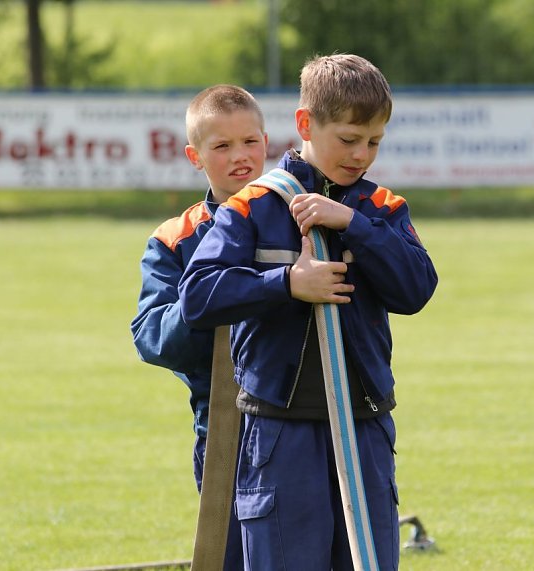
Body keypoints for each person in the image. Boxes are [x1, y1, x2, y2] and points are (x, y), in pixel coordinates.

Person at [178, 53, 438, 570]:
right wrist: (288, 284)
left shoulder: (382, 208)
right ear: (305, 125)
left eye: (374, 142)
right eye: (348, 139)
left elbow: (416, 290)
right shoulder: (253, 206)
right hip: (279, 431)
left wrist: (354, 226)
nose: (361, 155)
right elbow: (197, 296)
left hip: (364, 424)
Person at [130, 84, 268, 569]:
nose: (240, 157)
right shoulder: (175, 238)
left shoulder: (298, 215)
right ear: (195, 156)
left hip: (303, 424)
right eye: (222, 146)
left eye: (250, 142)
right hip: (223, 428)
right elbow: (151, 337)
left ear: (267, 142)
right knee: (226, 556)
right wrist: (211, 298)